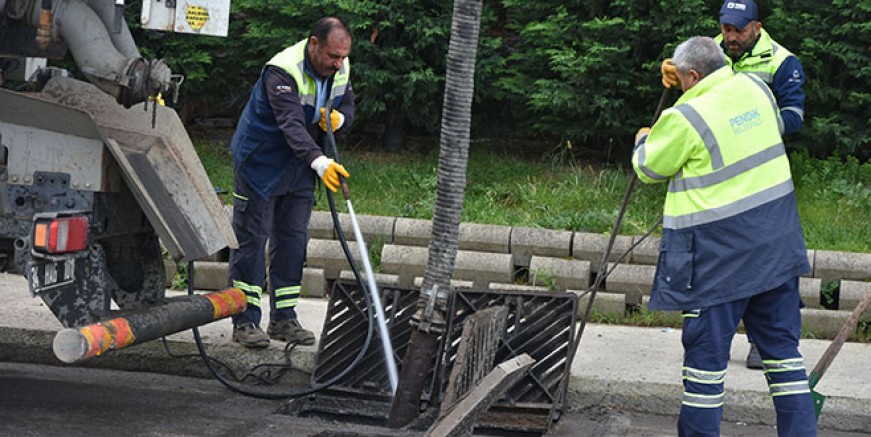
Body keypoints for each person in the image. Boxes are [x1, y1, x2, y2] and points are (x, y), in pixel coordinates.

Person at [633, 36, 817, 436]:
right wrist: (688, 81)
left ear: (693, 76)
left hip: (718, 263)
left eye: (684, 79)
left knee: (704, 371)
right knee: (785, 359)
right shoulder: (757, 89)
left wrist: (644, 138)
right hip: (775, 252)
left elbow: (648, 169)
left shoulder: (685, 116)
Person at [661, 0, 807, 369]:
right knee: (727, 255)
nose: (730, 37)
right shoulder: (714, 50)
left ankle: (765, 340)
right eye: (725, 28)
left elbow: (794, 115)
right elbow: (697, 97)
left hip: (761, 172)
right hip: (716, 173)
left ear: (756, 27)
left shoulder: (782, 61)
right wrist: (677, 73)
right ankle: (714, 342)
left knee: (770, 253)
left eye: (738, 30)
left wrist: (748, 129)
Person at [227, 17, 355, 348]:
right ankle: (244, 321)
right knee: (252, 242)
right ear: (314, 43)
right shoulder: (282, 71)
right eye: (332, 56)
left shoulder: (340, 66)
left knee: (293, 241)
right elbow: (291, 125)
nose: (338, 64)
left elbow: (347, 103)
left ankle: (284, 318)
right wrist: (322, 162)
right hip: (261, 162)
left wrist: (341, 119)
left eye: (342, 57)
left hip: (299, 166)